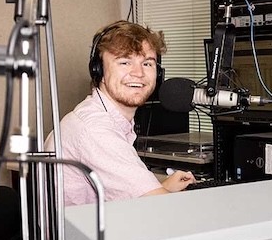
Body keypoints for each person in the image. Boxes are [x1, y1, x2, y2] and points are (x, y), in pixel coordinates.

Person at [49, 20, 195, 206]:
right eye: (125, 62)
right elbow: (162, 209)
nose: (138, 73)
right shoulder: (95, 129)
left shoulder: (103, 117)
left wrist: (161, 187)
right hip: (86, 234)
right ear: (99, 70)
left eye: (147, 64)